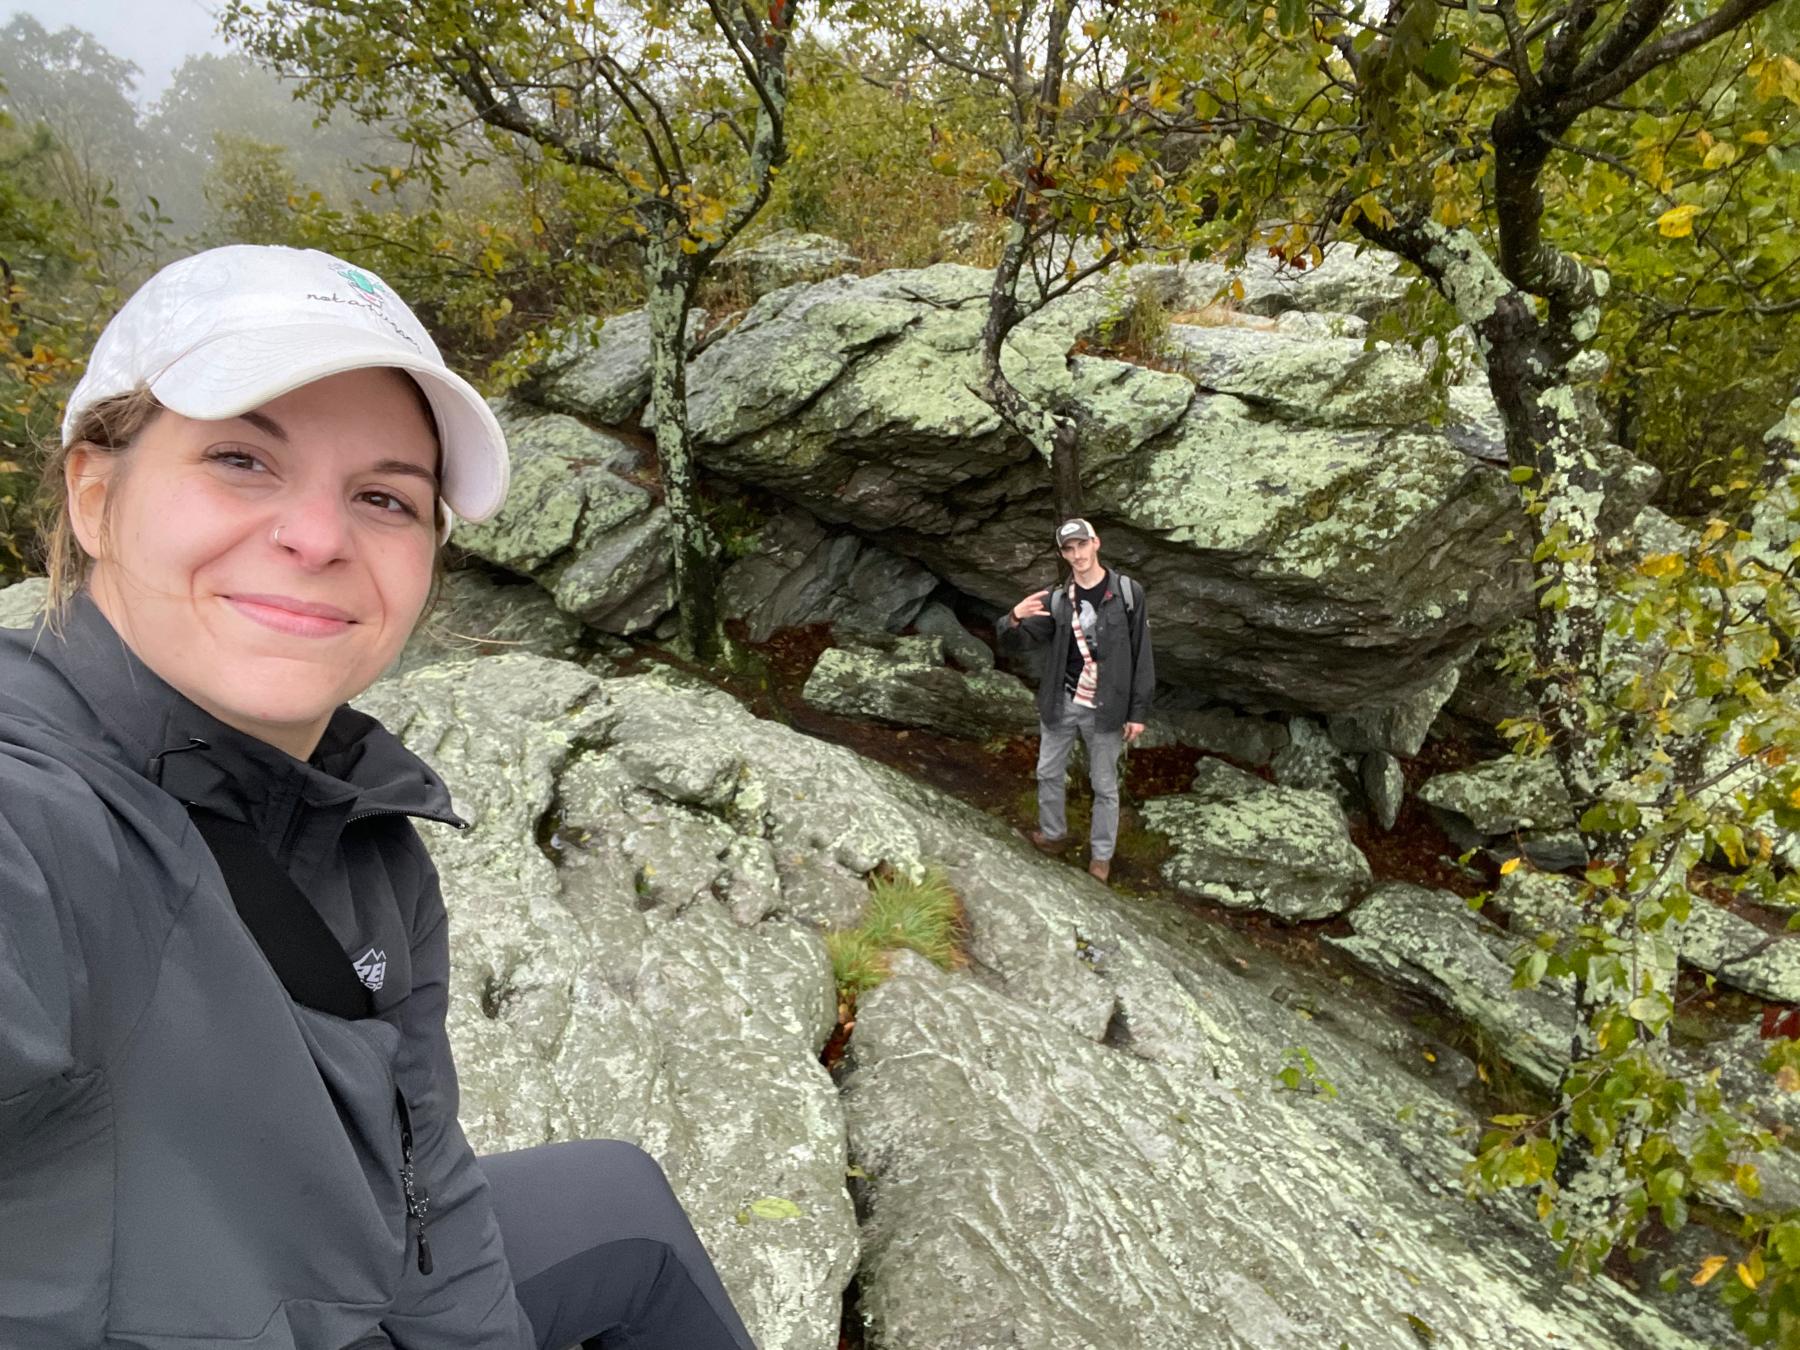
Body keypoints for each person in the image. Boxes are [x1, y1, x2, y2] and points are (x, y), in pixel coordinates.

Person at [0, 245, 755, 1350]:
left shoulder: (362, 835)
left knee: (618, 1199)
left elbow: (427, 1191)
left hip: (329, 1272)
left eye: (383, 497)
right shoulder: (42, 810)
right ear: (98, 495)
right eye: (243, 461)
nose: (318, 536)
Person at [996, 517, 1155, 883]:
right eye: (1069, 549)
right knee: (1048, 771)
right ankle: (1053, 835)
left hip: (1107, 707)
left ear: (1096, 543)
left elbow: (1142, 654)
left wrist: (1138, 711)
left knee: (1104, 784)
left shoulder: (1129, 594)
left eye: (1082, 545)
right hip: (1062, 699)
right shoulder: (1058, 601)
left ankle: (1101, 858)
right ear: (1063, 554)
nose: (1077, 554)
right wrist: (1014, 619)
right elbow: (1018, 642)